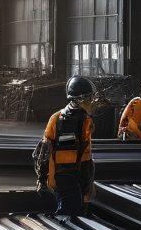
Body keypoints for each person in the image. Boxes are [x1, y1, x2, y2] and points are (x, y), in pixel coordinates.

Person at [35, 76, 97, 217]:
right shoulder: (57, 119)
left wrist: (89, 178)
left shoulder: (87, 119)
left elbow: (87, 150)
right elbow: (43, 150)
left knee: (80, 210)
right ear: (77, 99)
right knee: (70, 210)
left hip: (82, 173)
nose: (91, 101)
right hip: (63, 174)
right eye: (88, 98)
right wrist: (42, 179)